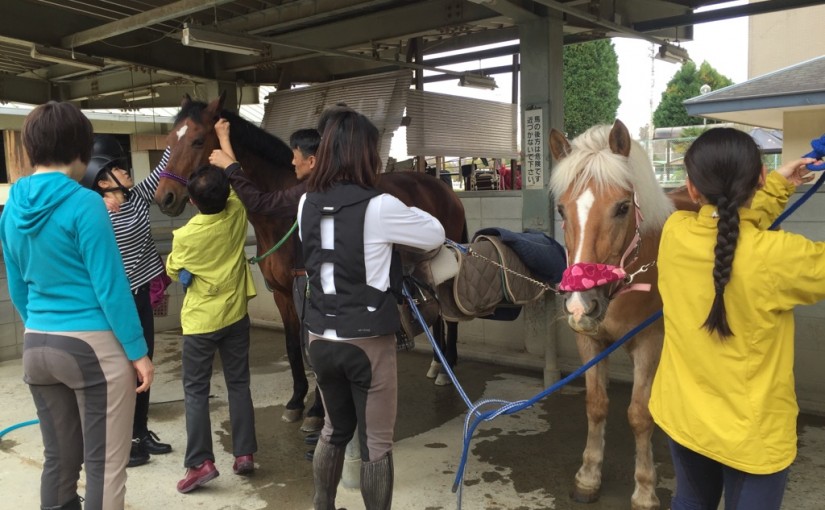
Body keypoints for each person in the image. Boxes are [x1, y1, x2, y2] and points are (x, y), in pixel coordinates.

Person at [648, 127, 825, 510]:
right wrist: (775, 186)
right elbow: (738, 224)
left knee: (691, 502)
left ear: (693, 189)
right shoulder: (782, 257)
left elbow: (728, 222)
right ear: (759, 176)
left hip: (684, 418)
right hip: (753, 436)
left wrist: (778, 186)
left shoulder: (674, 233)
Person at [0, 101, 154, 510]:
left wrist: (41, 327)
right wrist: (138, 352)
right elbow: (111, 287)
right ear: (81, 149)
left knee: (59, 461)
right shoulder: (85, 204)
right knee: (104, 465)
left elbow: (18, 286)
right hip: (91, 349)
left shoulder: (12, 207)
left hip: (37, 345)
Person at [298, 107, 445, 510]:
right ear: (366, 154)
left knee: (333, 428)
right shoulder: (380, 206)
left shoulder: (306, 202)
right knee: (377, 444)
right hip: (366, 343)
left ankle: (321, 505)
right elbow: (435, 233)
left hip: (319, 339)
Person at [209, 120, 325, 453]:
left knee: (319, 342)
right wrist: (224, 140)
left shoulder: (308, 192)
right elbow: (255, 200)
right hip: (315, 284)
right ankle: (307, 395)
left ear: (312, 160)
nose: (291, 162)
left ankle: (325, 416)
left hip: (317, 284)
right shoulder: (311, 188)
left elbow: (260, 202)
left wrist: (228, 161)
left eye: (296, 156)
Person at [81, 135, 173, 467]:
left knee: (144, 363)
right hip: (113, 304)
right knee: (122, 371)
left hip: (140, 296)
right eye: (118, 167)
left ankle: (139, 432)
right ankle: (121, 441)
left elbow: (166, 166)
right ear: (101, 179)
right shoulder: (92, 212)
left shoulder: (133, 197)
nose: (127, 170)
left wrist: (181, 134)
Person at [166, 164, 258, 494]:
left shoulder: (186, 235)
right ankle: (244, 453)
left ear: (192, 201)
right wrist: (223, 156)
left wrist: (183, 271)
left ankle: (200, 462)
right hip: (235, 316)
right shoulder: (236, 213)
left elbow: (174, 268)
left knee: (195, 391)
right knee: (238, 383)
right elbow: (234, 187)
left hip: (200, 323)